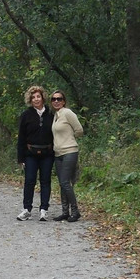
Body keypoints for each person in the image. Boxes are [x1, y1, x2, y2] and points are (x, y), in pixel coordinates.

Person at [16, 85, 55, 221]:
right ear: (30, 100)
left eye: (38, 96)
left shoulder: (51, 114)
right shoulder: (26, 115)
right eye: (33, 97)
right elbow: (21, 137)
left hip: (47, 153)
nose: (36, 99)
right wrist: (21, 158)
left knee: (45, 181)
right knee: (29, 181)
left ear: (43, 97)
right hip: (30, 153)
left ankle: (44, 209)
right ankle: (27, 209)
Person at [50, 90, 83, 222]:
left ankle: (75, 211)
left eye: (59, 99)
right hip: (58, 153)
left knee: (65, 182)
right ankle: (65, 212)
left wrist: (70, 139)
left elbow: (79, 130)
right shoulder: (56, 115)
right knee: (62, 183)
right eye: (53, 99)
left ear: (63, 101)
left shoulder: (67, 113)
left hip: (69, 151)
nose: (56, 101)